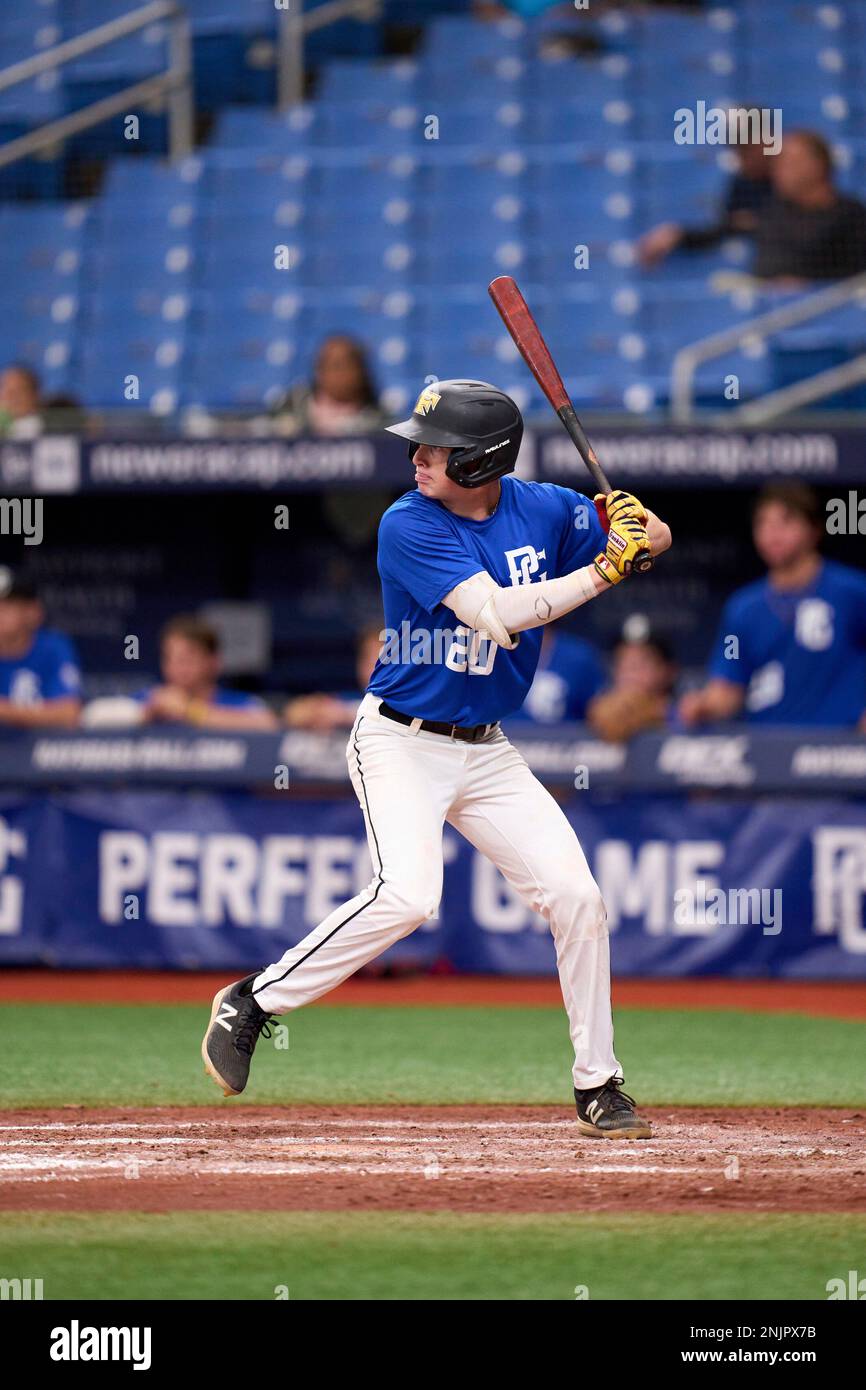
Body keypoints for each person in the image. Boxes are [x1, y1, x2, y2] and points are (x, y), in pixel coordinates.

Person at [203, 379, 672, 1139]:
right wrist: (605, 569)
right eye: (419, 445)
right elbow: (499, 616)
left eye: (437, 449)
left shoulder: (545, 508)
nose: (418, 458)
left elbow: (657, 538)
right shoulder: (406, 523)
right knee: (411, 896)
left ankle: (600, 1084)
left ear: (483, 463)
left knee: (578, 898)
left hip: (486, 749)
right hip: (400, 740)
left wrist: (635, 524)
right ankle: (253, 1001)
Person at [679, 482, 866, 729]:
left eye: (785, 522)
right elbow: (728, 682)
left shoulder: (852, 591)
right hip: (768, 750)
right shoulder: (741, 609)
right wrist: (702, 705)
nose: (773, 534)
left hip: (838, 749)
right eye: (763, 524)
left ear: (814, 529)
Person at [638, 131, 775, 268]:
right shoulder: (743, 183)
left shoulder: (787, 176)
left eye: (747, 149)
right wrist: (678, 235)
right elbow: (723, 230)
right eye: (738, 149)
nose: (743, 158)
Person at [751, 130, 866, 285]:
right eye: (777, 163)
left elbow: (855, 275)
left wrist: (806, 283)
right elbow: (766, 268)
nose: (778, 170)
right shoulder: (774, 214)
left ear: (818, 165)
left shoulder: (851, 216)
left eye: (789, 163)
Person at [137, 616, 277, 731]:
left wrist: (189, 711)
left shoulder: (240, 702)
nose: (176, 667)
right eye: (169, 658)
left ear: (213, 662)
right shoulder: (150, 699)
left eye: (186, 659)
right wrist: (143, 715)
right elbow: (119, 713)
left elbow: (268, 724)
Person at [0, 569, 82, 727]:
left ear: (32, 611)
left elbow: (69, 714)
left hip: (38, 748)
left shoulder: (52, 647)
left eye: (7, 606)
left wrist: (4, 711)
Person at [270, 335, 385, 437]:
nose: (339, 374)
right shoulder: (292, 407)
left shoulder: (380, 423)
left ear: (361, 371)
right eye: (333, 366)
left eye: (345, 365)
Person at [284, 623, 382, 733]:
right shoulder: (349, 699)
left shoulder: (402, 704)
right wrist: (319, 713)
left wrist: (346, 715)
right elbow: (294, 713)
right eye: (367, 660)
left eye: (380, 661)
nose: (372, 669)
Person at [587, 625, 677, 742]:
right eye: (623, 663)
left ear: (668, 671)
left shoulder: (683, 714)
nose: (630, 672)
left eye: (641, 663)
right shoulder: (603, 710)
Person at [508, 625, 606, 724]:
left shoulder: (578, 658)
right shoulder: (497, 653)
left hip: (565, 737)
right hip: (503, 737)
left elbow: (602, 719)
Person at [0, 363, 43, 439]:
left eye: (19, 391)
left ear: (34, 396)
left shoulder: (34, 427)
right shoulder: (6, 425)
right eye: (7, 390)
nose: (11, 398)